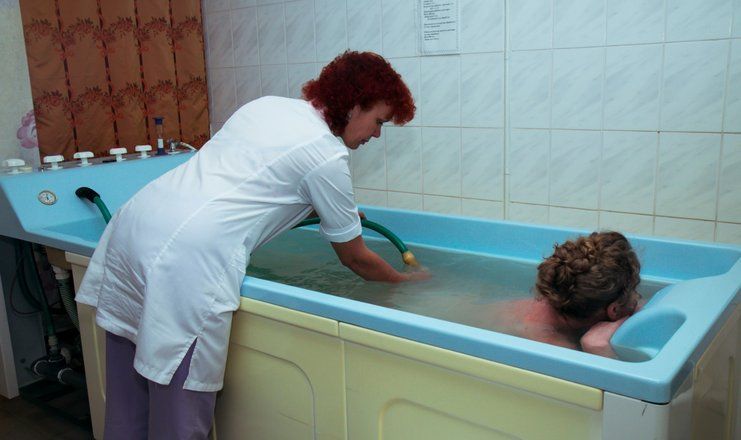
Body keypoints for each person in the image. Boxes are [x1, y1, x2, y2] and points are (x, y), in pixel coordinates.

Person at [75, 51, 427, 439]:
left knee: (128, 396)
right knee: (178, 409)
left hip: (137, 225)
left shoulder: (268, 107)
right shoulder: (326, 155)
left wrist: (335, 212)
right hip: (187, 258)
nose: (376, 134)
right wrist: (402, 283)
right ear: (355, 105)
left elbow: (250, 182)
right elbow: (356, 259)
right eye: (378, 121)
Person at [487, 231, 642, 357]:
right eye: (634, 289)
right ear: (614, 310)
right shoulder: (553, 347)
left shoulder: (562, 292)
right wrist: (600, 350)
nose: (638, 297)